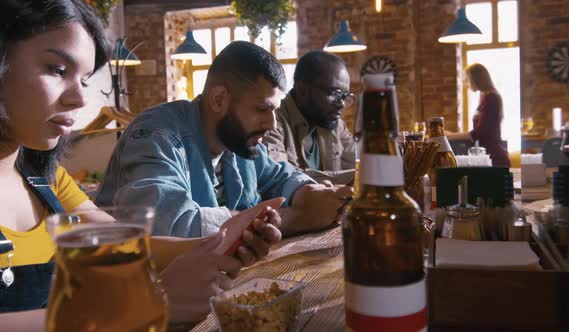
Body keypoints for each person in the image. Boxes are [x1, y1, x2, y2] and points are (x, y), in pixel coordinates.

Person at [0, 0, 280, 326]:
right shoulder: (159, 131)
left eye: (85, 80)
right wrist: (148, 303)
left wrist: (222, 240)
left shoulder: (48, 180)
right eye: (57, 70)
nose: (79, 99)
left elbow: (127, 246)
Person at [95, 41, 353, 237]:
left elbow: (280, 175)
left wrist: (310, 193)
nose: (271, 123)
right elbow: (168, 226)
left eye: (274, 110)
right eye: (261, 109)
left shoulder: (239, 141)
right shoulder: (155, 134)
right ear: (219, 99)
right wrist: (295, 219)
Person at [264, 51, 356, 178]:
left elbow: (363, 166)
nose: (341, 104)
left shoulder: (335, 124)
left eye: (344, 96)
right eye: (334, 93)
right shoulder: (271, 121)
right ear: (303, 90)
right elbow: (280, 179)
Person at [449, 63, 510, 167]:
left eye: (467, 79)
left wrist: (451, 136)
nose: (465, 82)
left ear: (476, 78)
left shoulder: (492, 98)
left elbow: (479, 133)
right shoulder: (484, 95)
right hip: (486, 154)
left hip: (493, 157)